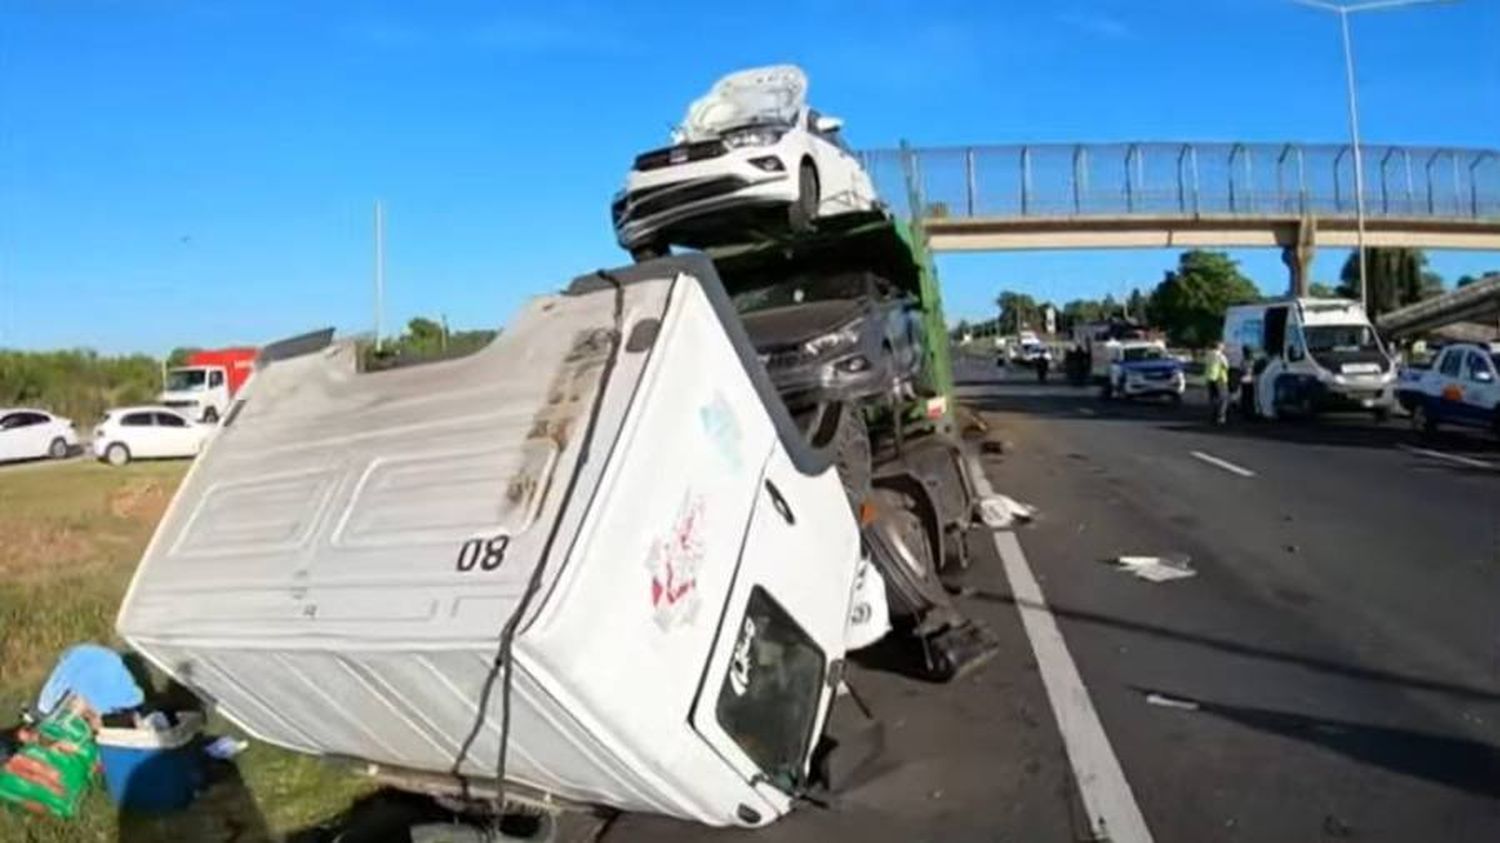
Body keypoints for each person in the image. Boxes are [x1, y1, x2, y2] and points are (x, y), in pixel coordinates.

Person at [1204, 341, 1230, 425]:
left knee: (1213, 398)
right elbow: (1226, 366)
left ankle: (1213, 415)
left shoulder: (1208, 354)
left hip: (1209, 378)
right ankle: (1221, 417)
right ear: (1218, 347)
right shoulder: (1220, 355)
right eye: (1222, 346)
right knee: (1223, 398)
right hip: (1220, 378)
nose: (1224, 347)